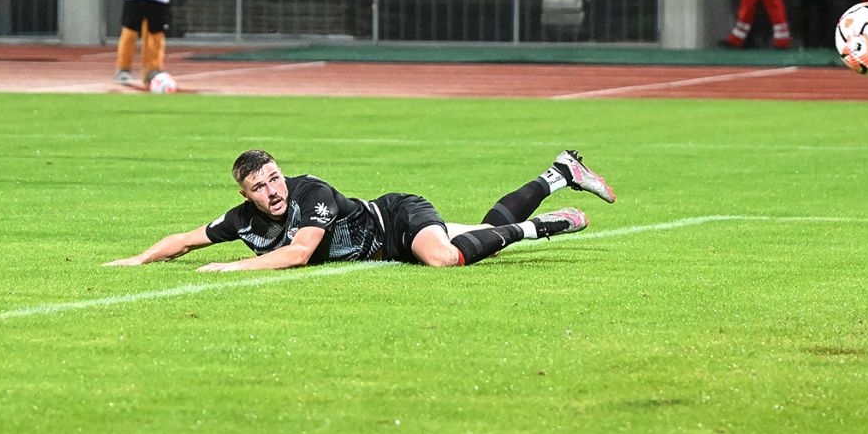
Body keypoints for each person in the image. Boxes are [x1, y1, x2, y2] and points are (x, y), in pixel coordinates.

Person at [108, 148, 615, 271]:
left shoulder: (312, 194)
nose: (273, 190)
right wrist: (136, 260)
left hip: (396, 219)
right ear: (247, 195)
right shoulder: (244, 220)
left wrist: (232, 266)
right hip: (387, 245)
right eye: (260, 187)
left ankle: (538, 227)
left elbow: (300, 252)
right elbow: (184, 240)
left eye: (275, 178)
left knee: (442, 259)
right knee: (483, 230)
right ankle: (560, 173)